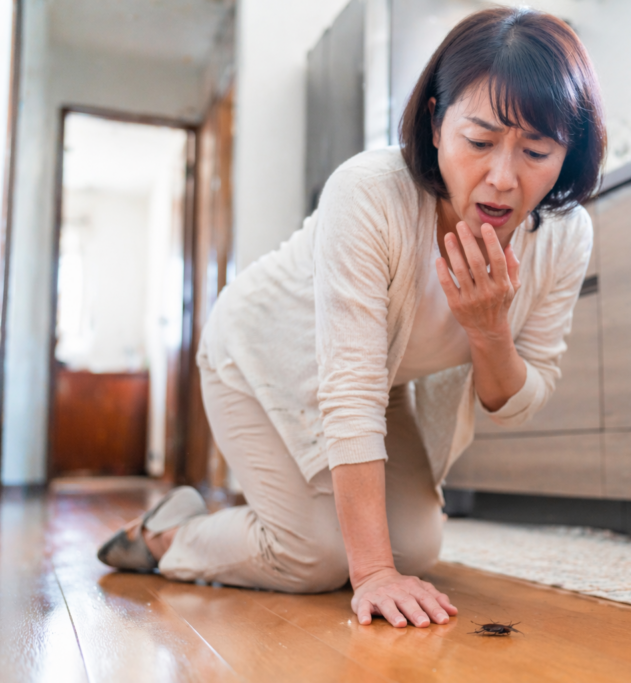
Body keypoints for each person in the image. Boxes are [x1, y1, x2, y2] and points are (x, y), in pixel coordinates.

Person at [98, 6, 605, 630]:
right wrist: (371, 574)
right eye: (479, 142)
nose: (503, 178)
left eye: (536, 150)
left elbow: (521, 397)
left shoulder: (563, 235)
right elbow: (349, 390)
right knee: (317, 557)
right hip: (257, 353)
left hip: (377, 381)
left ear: (567, 153)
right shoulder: (370, 192)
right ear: (436, 119)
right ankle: (166, 536)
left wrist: (489, 330)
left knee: (416, 548)